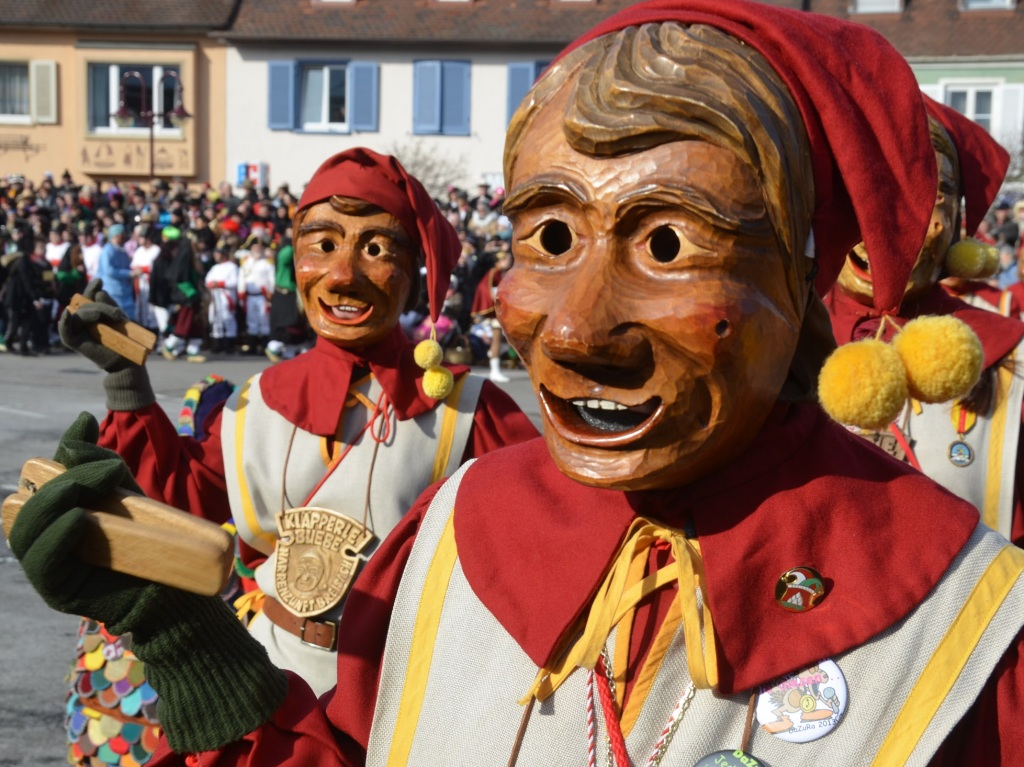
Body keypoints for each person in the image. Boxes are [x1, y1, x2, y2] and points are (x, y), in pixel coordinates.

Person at [11, 5, 1024, 766]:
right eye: (547, 234)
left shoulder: (965, 622)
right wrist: (185, 637)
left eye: (668, 241)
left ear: (800, 281)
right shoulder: (463, 525)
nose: (577, 327)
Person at [44, 147, 537, 698]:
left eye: (375, 249)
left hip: (410, 691)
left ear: (416, 268)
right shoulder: (251, 402)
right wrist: (126, 380)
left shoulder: (470, 410)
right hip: (269, 679)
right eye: (323, 246)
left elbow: (543, 543)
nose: (343, 275)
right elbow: (175, 502)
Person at [827, 96, 1024, 545]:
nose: (883, 223)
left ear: (956, 224)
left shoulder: (1012, 357)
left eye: (930, 195)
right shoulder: (773, 343)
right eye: (860, 191)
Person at [95, 223, 135, 320]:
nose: (124, 237)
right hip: (113, 292)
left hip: (124, 292)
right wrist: (129, 273)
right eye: (122, 235)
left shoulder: (122, 251)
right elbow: (109, 270)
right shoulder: (107, 250)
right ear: (116, 235)